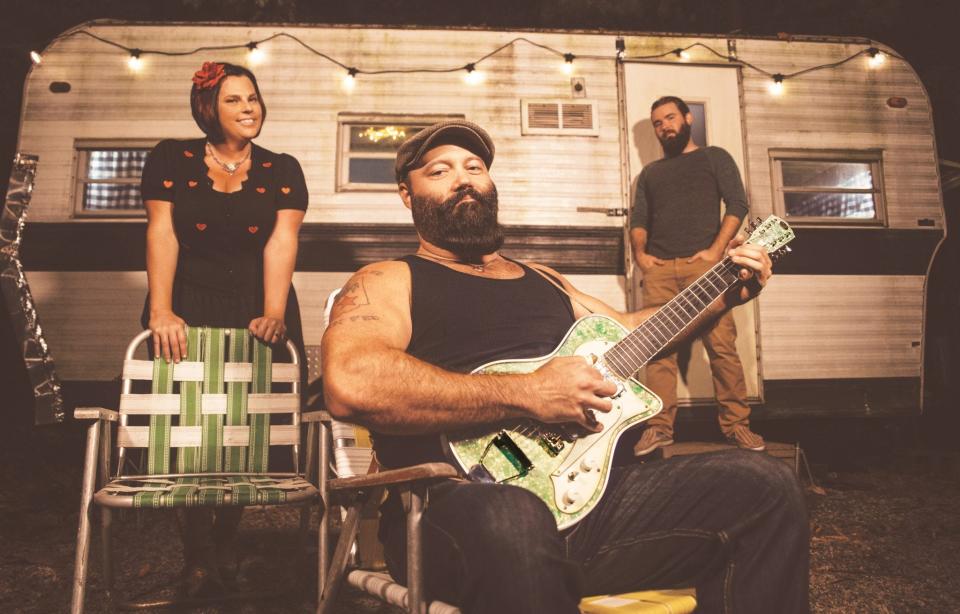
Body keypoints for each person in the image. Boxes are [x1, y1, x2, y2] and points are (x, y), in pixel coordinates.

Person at [321, 120, 808, 613]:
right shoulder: (389, 278)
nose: (463, 178)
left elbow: (633, 332)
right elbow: (351, 382)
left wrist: (724, 291)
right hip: (455, 504)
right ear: (407, 194)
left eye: (475, 167)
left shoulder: (546, 280)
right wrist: (527, 391)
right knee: (513, 516)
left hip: (598, 504)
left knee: (764, 484)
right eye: (439, 171)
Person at [140, 61, 308, 596]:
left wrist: (274, 311)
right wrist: (162, 311)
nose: (249, 108)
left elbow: (281, 242)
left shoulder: (284, 168)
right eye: (235, 100)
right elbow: (162, 231)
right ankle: (197, 553)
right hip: (186, 301)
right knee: (189, 431)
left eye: (253, 97)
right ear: (209, 108)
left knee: (244, 430)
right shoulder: (171, 156)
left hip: (258, 305)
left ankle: (228, 539)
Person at [629, 95, 763, 457]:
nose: (664, 127)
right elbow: (639, 220)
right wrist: (641, 256)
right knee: (657, 351)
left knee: (721, 348)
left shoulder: (714, 157)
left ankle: (737, 427)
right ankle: (658, 428)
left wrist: (715, 252)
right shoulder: (650, 174)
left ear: (688, 119)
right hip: (659, 271)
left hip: (705, 268)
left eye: (670, 118)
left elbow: (738, 203)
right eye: (657, 122)